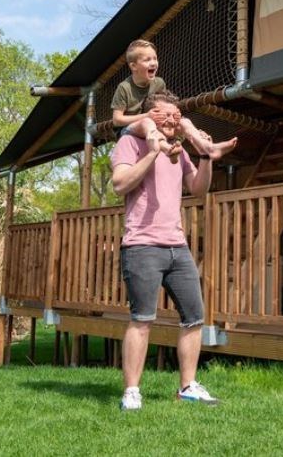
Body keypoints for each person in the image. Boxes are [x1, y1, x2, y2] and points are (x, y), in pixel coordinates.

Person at [111, 91, 219, 411]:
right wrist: (152, 152)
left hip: (178, 247)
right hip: (142, 245)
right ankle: (132, 391)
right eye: (163, 116)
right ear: (148, 118)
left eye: (175, 117)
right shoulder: (129, 144)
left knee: (194, 317)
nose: (171, 123)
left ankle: (187, 386)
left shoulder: (180, 152)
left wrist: (205, 155)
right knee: (142, 319)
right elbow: (120, 184)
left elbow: (198, 189)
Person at [111, 39, 237, 163]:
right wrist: (147, 115)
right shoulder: (124, 88)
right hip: (129, 130)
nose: (153, 63)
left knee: (184, 121)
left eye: (155, 58)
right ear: (133, 66)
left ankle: (206, 147)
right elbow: (117, 120)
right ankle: (168, 149)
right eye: (147, 60)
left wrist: (174, 114)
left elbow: (166, 105)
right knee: (147, 122)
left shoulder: (159, 83)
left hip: (155, 125)